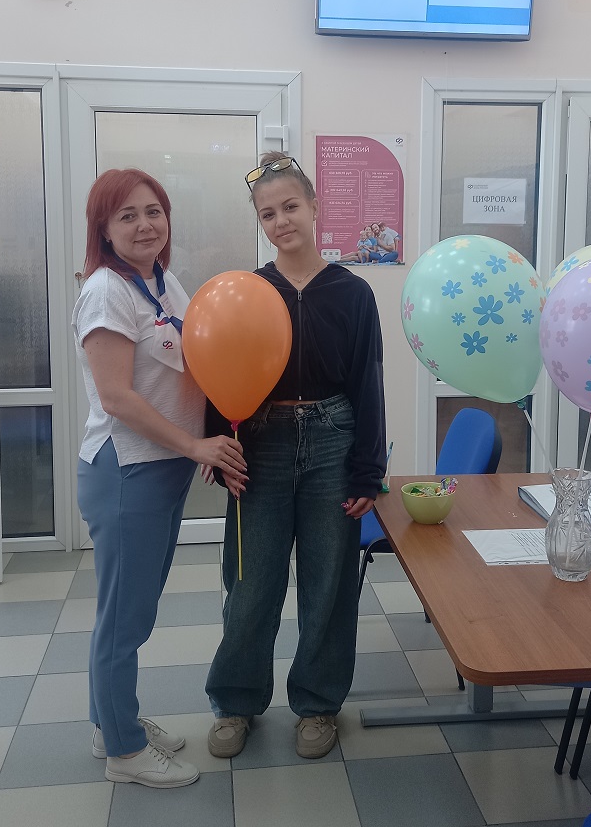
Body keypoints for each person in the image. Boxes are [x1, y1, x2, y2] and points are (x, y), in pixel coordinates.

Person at [205, 152, 386, 760]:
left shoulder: (353, 293)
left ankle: (317, 702)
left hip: (333, 438)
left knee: (328, 580)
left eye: (290, 207)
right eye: (267, 214)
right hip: (261, 443)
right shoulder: (250, 291)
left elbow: (367, 383)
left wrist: (368, 472)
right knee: (250, 580)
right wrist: (218, 444)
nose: (280, 221)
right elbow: (219, 366)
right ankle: (236, 700)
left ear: (314, 207)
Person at [73, 167, 247, 789]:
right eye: (127, 216)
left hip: (162, 468)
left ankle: (110, 723)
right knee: (124, 621)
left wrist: (202, 438)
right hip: (127, 471)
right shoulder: (107, 291)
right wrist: (195, 443)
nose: (145, 225)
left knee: (131, 612)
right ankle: (123, 752)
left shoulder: (161, 281)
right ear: (104, 229)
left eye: (154, 211)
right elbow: (118, 397)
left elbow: (190, 367)